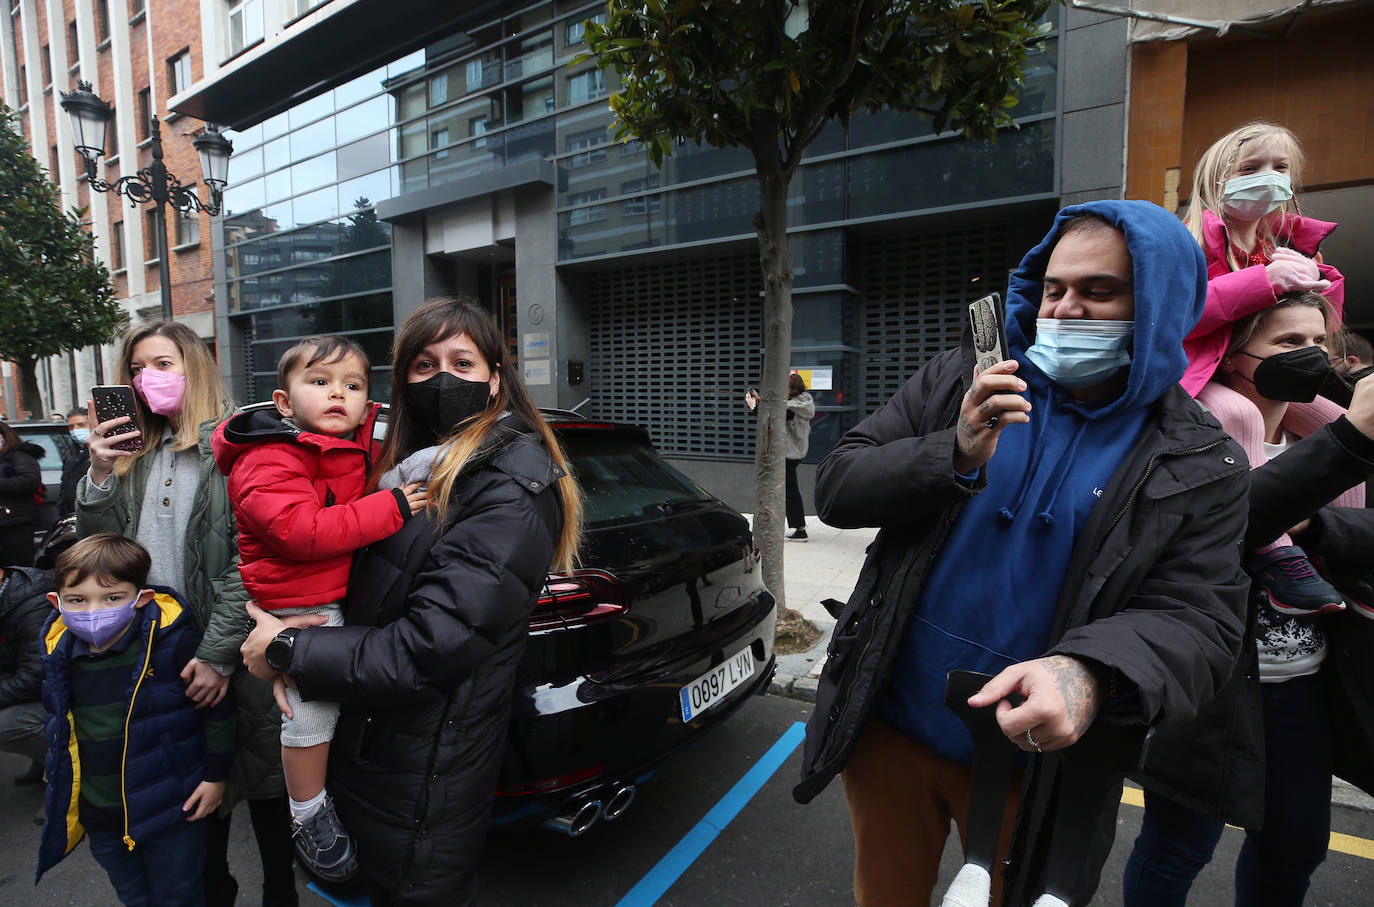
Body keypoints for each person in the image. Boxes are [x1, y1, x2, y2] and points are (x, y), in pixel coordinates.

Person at [792, 200, 1251, 905]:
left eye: (1100, 291)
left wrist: (1092, 671)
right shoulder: (961, 380)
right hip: (893, 729)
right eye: (1055, 287)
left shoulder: (1199, 456)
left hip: (1035, 766)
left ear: (1162, 303)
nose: (1066, 309)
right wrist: (951, 451)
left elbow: (1202, 618)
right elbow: (840, 484)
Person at [241, 296, 583, 906]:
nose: (442, 378)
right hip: (374, 759)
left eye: (462, 362)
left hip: (425, 783)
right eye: (424, 366)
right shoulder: (402, 473)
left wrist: (289, 648)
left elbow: (424, 652)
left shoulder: (506, 488)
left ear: (496, 379)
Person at [1124, 292, 1374, 906]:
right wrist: (1351, 437)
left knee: (1298, 846)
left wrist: (1318, 527)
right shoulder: (1193, 433)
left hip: (1305, 684)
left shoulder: (1334, 438)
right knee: (1179, 846)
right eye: (1289, 344)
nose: (1311, 358)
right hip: (1211, 682)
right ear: (1233, 356)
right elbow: (1238, 520)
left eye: (1320, 344)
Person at [77, 321, 297, 907]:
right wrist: (99, 474)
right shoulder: (131, 454)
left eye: (164, 363)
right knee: (200, 799)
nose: (149, 377)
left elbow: (248, 564)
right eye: (138, 367)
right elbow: (104, 558)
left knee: (266, 786)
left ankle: (282, 893)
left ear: (195, 367)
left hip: (236, 646)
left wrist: (216, 654)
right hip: (159, 654)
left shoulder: (235, 447)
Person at [212, 334, 428, 881]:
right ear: (284, 404)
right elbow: (302, 533)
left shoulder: (347, 443)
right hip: (299, 606)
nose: (339, 395)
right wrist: (395, 507)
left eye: (352, 386)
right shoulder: (267, 459)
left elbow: (390, 432)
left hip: (336, 596)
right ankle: (307, 812)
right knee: (310, 719)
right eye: (320, 382)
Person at [1180, 121, 1347, 618]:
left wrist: (1319, 277)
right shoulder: (1188, 244)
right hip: (1198, 375)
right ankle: (1275, 550)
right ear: (1216, 179)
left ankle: (1340, 547)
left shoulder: (1285, 246)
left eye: (1280, 168)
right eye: (1250, 168)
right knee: (1243, 417)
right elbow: (1178, 315)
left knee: (1342, 426)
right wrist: (1263, 280)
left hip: (1259, 374)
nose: (1268, 177)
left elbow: (1316, 317)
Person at [34, 533, 235, 905]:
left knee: (179, 895)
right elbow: (62, 728)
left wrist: (215, 775)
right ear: (56, 602)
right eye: (77, 600)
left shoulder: (175, 646)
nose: (93, 612)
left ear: (140, 599)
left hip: (174, 807)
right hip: (102, 814)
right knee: (132, 895)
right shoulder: (58, 655)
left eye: (112, 598)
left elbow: (217, 714)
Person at [745, 373, 817, 540]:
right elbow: (778, 406)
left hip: (789, 453)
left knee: (789, 490)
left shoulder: (790, 408)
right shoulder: (803, 401)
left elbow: (772, 418)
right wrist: (759, 399)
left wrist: (753, 407)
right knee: (788, 489)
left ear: (790, 387)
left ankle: (800, 529)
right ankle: (795, 526)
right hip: (796, 452)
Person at [0, 563, 53, 785]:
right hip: (30, 683)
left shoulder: (32, 604)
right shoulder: (8, 595)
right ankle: (43, 762)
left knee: (5, 726)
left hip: (63, 691)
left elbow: (35, 677)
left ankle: (64, 776)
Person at [0, 421, 44, 567]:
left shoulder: (19, 456)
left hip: (15, 521)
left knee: (17, 567)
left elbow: (30, 480)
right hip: (6, 520)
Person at [60, 408, 92, 518]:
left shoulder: (102, 451)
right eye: (71, 427)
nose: (75, 430)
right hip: (71, 513)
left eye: (81, 425)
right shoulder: (70, 452)